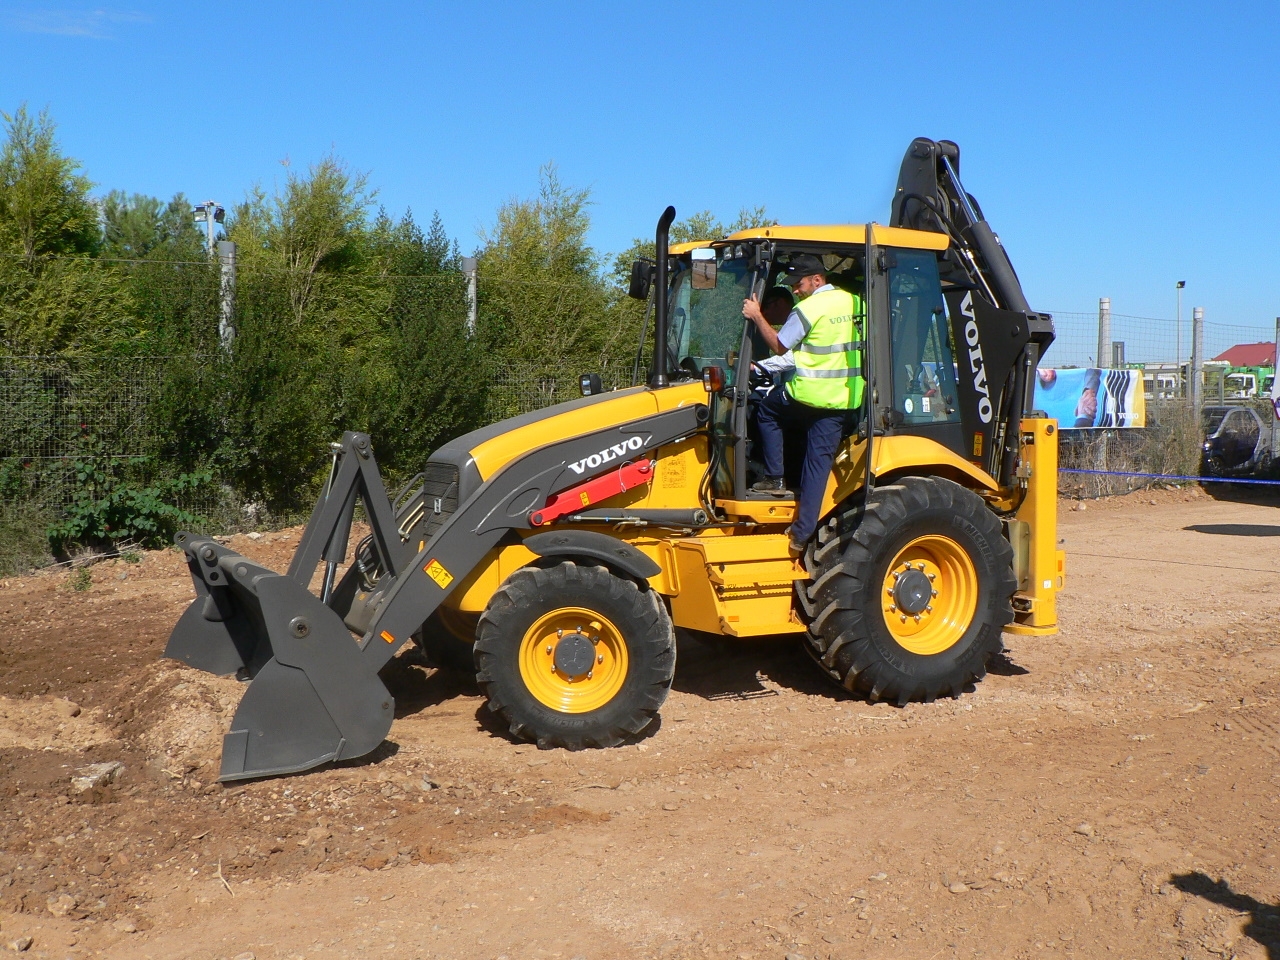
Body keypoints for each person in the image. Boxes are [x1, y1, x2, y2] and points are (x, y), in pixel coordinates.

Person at [742, 255, 864, 554]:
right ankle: (802, 533)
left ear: (817, 280)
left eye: (798, 284)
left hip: (808, 395)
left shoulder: (808, 308)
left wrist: (757, 315)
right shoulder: (856, 303)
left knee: (766, 410)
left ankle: (774, 478)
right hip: (844, 400)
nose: (795, 290)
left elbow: (780, 345)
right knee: (817, 464)